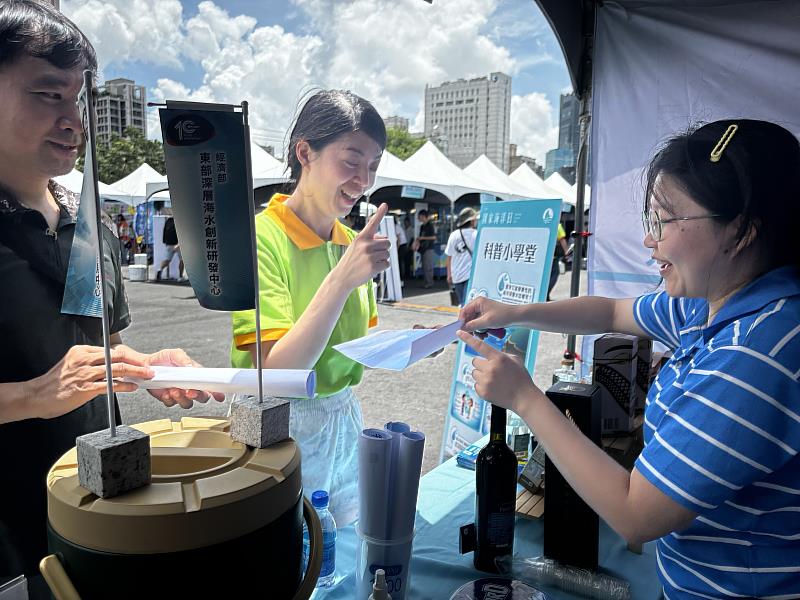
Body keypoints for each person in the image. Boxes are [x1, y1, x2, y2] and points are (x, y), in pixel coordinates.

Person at [458, 119, 800, 599]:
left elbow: (636, 514)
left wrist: (527, 400)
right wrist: (514, 310)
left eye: (664, 220)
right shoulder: (713, 301)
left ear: (740, 230)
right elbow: (614, 311)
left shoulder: (756, 354)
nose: (649, 240)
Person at [0, 1, 222, 592]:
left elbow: (103, 346)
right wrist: (30, 396)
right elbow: (54, 385)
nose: (74, 120)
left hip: (102, 512)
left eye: (81, 100)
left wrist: (149, 368)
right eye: (49, 94)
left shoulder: (88, 223)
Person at [230, 89, 389, 526]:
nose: (363, 180)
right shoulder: (261, 237)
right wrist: (342, 279)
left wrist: (412, 343)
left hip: (343, 420)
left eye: (373, 167)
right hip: (278, 426)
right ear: (305, 152)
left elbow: (348, 349)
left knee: (348, 551)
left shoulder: (349, 243)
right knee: (292, 565)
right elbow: (278, 372)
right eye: (351, 160)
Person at [445, 207, 478, 306]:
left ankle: (463, 320)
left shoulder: (453, 235)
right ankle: (463, 320)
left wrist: (449, 274)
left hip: (456, 275)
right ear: (471, 221)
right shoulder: (476, 234)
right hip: (470, 275)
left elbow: (449, 257)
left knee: (462, 303)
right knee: (466, 303)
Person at [412, 209, 436, 288]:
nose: (419, 218)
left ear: (423, 216)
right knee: (425, 266)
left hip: (429, 248)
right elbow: (419, 238)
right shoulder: (422, 226)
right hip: (423, 249)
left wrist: (422, 238)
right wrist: (417, 244)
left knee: (428, 266)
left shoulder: (430, 225)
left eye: (419, 217)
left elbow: (433, 237)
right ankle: (426, 282)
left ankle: (430, 283)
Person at [546, 222, 570, 301]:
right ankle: (546, 293)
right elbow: (562, 240)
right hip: (552, 256)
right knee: (553, 275)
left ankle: (544, 294)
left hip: (542, 257)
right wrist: (567, 251)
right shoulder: (557, 225)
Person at [156, 215, 184, 281]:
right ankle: (180, 276)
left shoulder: (168, 221)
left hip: (169, 243)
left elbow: (164, 232)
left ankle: (159, 269)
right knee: (182, 260)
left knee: (167, 260)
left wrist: (165, 242)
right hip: (178, 244)